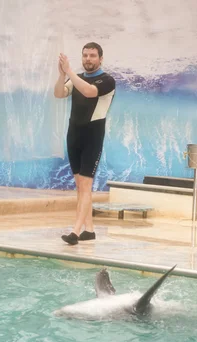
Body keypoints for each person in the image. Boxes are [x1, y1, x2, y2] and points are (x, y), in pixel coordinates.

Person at [54, 42, 116, 245]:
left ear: (100, 58)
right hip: (74, 135)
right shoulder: (76, 78)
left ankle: (75, 231)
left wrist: (69, 71)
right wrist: (62, 75)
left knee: (86, 185)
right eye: (85, 55)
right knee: (80, 186)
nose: (88, 59)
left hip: (92, 136)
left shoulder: (107, 81)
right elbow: (59, 93)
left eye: (92, 55)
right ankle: (89, 230)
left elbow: (89, 92)